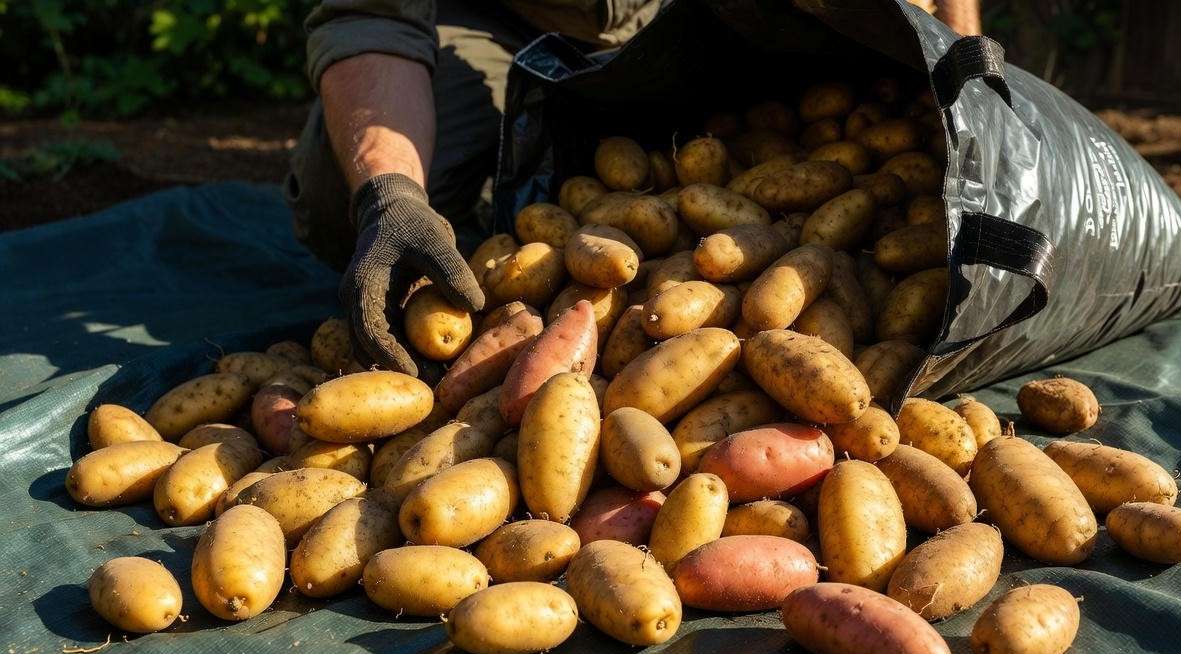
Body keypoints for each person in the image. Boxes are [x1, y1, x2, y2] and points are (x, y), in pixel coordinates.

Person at [284, 0, 977, 376]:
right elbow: (368, 12)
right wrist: (392, 194)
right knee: (338, 197)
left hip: (706, 21)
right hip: (509, 18)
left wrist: (957, 89)